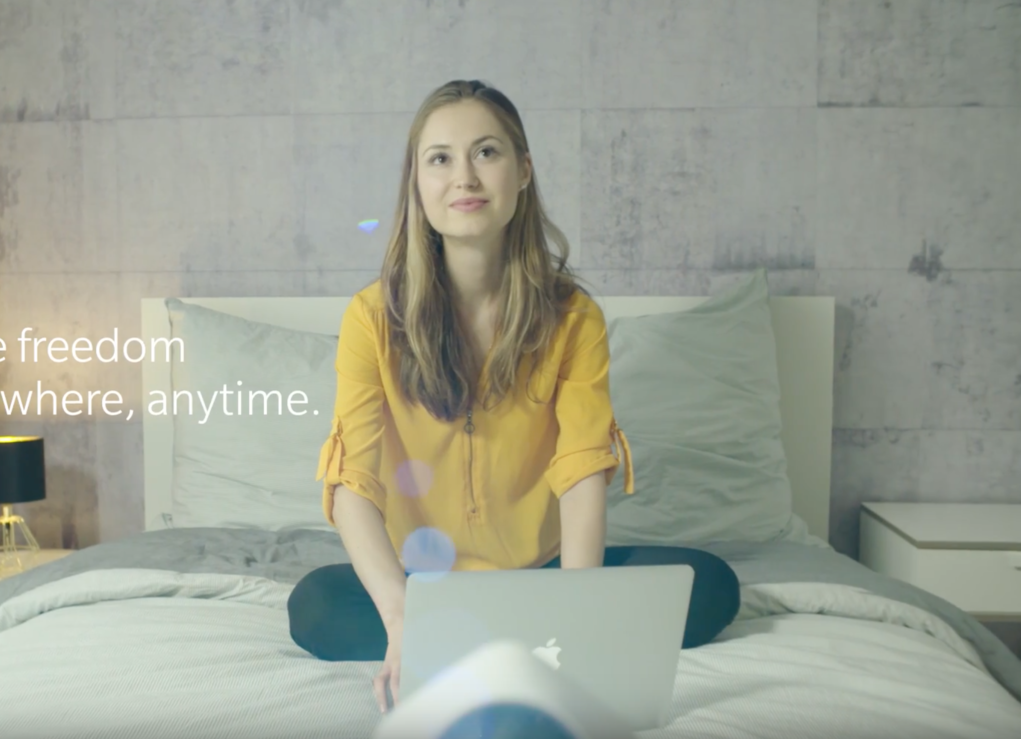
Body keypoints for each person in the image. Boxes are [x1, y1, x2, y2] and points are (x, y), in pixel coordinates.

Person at [287, 80, 741, 713]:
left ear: (523, 170)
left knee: (712, 585)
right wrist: (401, 617)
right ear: (416, 181)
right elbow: (353, 486)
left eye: (487, 153)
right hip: (426, 588)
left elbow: (583, 469)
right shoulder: (370, 318)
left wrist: (577, 613)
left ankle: (491, 640)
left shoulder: (573, 317)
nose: (464, 177)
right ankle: (488, 639)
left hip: (546, 575)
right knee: (313, 605)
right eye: (440, 158)